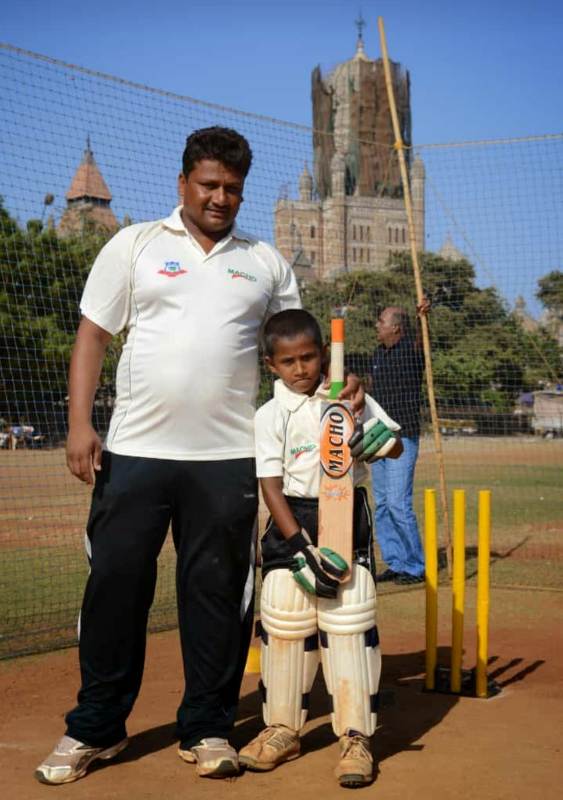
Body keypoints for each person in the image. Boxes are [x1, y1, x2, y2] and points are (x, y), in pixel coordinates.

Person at [35, 127, 365, 786]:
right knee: (116, 588)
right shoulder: (134, 245)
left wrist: (338, 385)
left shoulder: (265, 262)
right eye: (209, 185)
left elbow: (293, 351)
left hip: (228, 458)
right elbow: (94, 334)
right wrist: (79, 424)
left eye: (232, 190)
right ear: (183, 182)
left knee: (216, 594)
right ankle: (94, 728)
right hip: (134, 452)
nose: (220, 199)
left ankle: (208, 725)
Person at [238, 309, 402, 787]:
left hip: (344, 510)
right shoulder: (268, 415)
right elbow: (269, 483)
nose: (301, 369)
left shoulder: (348, 396)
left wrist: (372, 440)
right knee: (286, 619)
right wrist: (298, 543)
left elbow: (392, 446)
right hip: (293, 518)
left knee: (348, 620)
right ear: (272, 364)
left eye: (309, 357)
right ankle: (282, 729)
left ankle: (356, 738)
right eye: (289, 361)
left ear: (323, 356)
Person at [370, 301, 430, 585]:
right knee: (381, 503)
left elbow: (424, 339)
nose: (377, 326)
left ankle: (415, 566)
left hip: (402, 438)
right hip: (378, 437)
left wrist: (423, 317)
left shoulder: (413, 350)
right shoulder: (378, 353)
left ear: (396, 327)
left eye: (381, 321)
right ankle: (395, 561)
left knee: (397, 502)